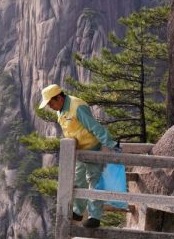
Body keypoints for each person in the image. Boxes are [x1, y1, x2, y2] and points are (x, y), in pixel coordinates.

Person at [39, 84, 118, 228]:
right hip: (78, 151)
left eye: (50, 102)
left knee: (94, 180)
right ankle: (78, 211)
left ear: (59, 97)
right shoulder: (60, 110)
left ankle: (94, 217)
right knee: (78, 180)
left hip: (91, 148)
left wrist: (111, 143)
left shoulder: (77, 106)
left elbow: (94, 126)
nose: (50, 106)